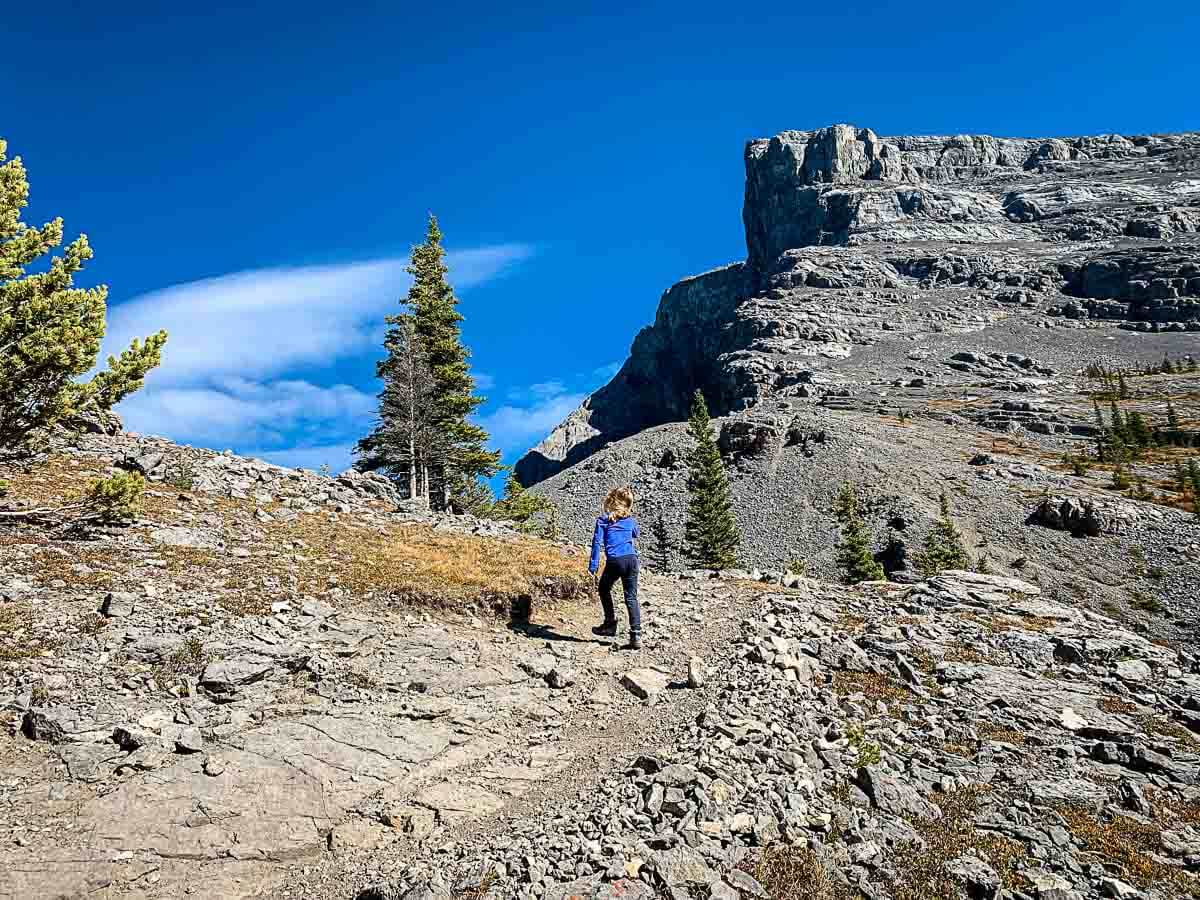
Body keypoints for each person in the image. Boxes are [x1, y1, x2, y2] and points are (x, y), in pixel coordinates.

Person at [589, 486, 641, 650]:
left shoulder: (603, 520)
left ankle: (610, 624)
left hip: (615, 561)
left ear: (611, 501)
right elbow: (636, 533)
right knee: (631, 597)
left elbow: (597, 542)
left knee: (604, 589)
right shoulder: (630, 521)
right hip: (632, 560)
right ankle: (636, 635)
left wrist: (593, 565)